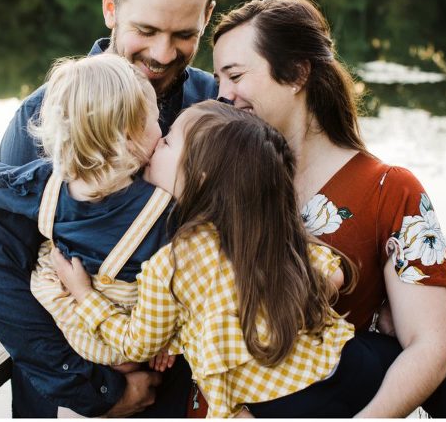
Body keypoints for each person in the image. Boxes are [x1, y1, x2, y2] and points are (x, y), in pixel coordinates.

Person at [0, 0, 219, 417]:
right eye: (146, 30)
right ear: (110, 9)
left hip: (186, 387)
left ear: (207, 17)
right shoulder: (46, 119)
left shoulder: (217, 108)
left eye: (185, 34)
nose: (163, 54)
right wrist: (101, 392)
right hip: (76, 393)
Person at [211, 0, 446, 417]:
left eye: (235, 75)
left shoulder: (389, 191)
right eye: (218, 81)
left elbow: (430, 347)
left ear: (297, 73)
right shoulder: (222, 183)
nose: (222, 95)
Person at [52, 100, 398, 418]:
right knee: (410, 361)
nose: (157, 143)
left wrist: (84, 295)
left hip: (274, 407)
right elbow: (331, 274)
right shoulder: (260, 227)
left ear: (199, 176)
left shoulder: (169, 265)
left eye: (169, 142)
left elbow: (138, 342)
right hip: (343, 367)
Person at [0, 53, 183, 374]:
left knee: (33, 250)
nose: (161, 128)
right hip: (126, 331)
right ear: (129, 134)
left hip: (71, 320)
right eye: (153, 119)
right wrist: (171, 339)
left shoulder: (47, 183)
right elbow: (185, 278)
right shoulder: (161, 207)